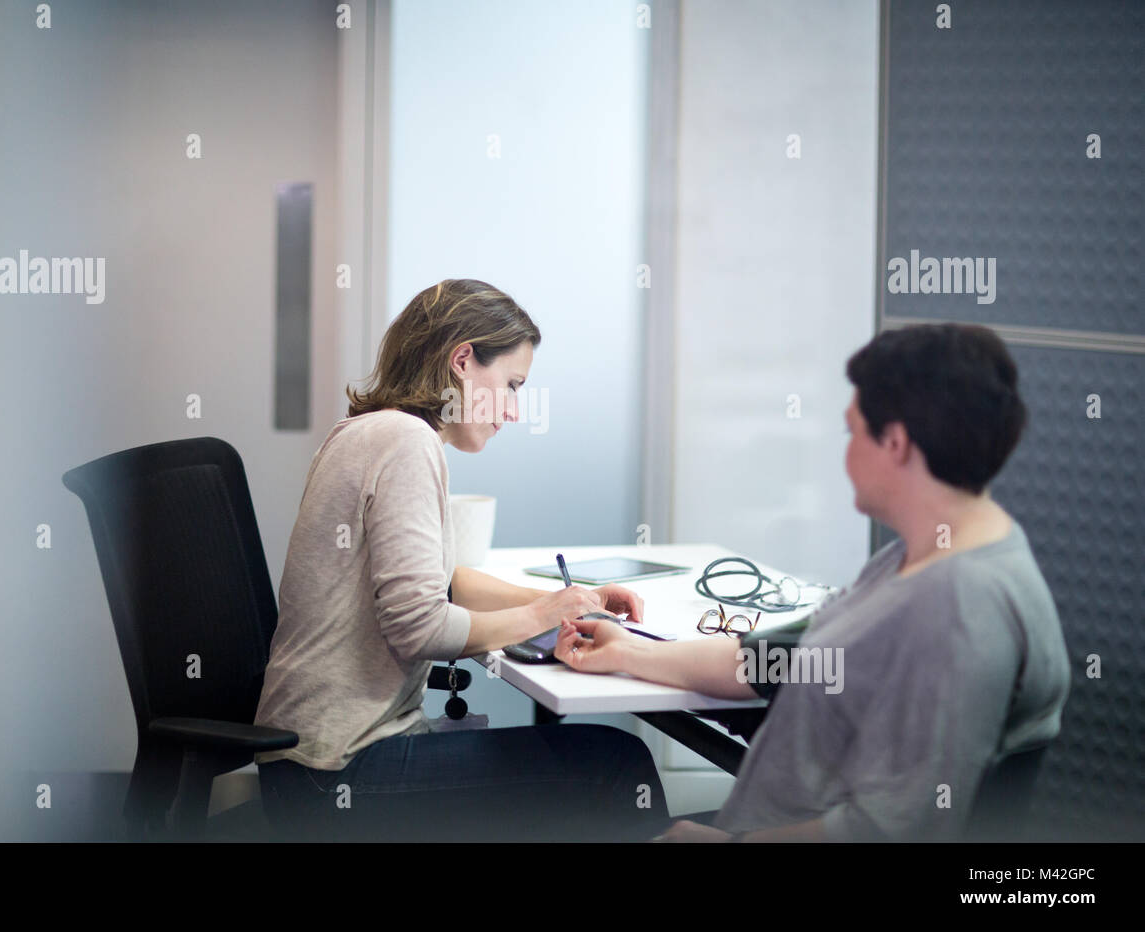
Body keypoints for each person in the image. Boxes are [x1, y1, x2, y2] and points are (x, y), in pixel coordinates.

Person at [555, 323, 1071, 842]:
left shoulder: (960, 607)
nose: (844, 454)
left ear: (895, 443)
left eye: (853, 433)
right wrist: (626, 651)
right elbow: (766, 660)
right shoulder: (918, 556)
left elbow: (892, 829)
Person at [253, 278, 668, 842]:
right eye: (512, 385)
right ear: (464, 361)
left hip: (304, 767)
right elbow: (420, 626)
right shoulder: (405, 441)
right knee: (616, 764)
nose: (515, 412)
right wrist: (546, 613)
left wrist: (575, 602)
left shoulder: (366, 433)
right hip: (339, 773)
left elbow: (443, 586)